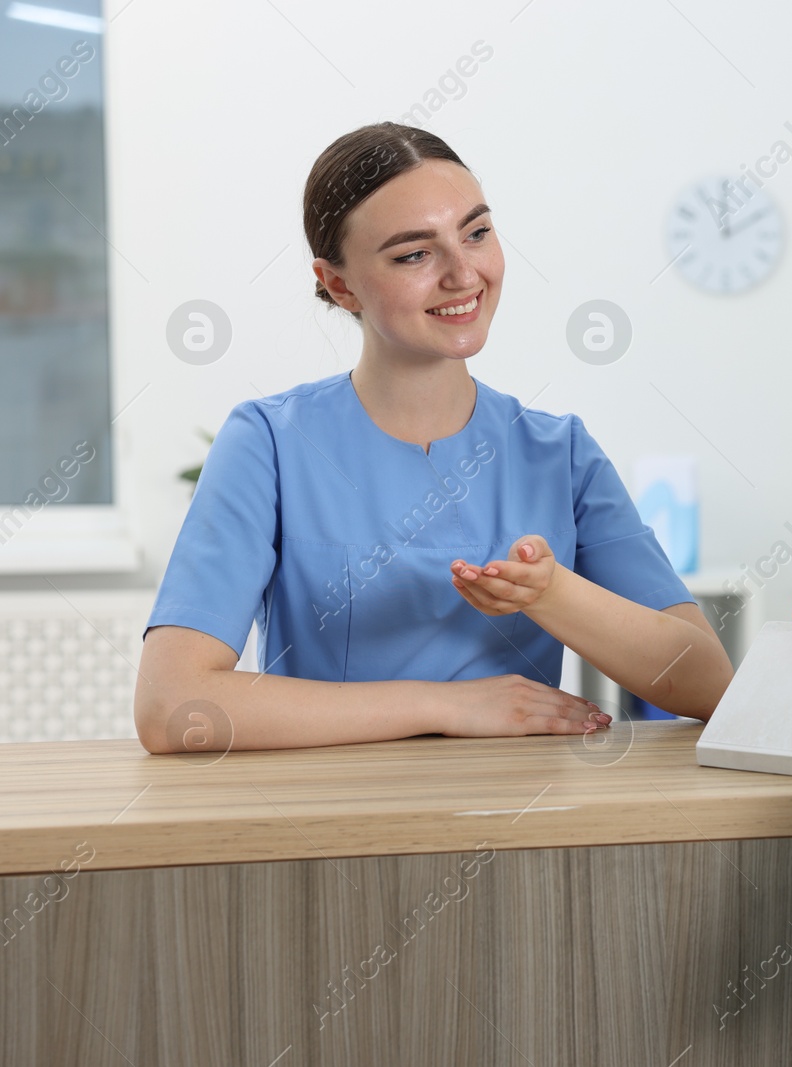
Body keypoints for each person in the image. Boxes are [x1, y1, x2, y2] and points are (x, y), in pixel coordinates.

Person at [134, 122, 732, 753]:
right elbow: (173, 706)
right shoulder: (269, 445)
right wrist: (445, 705)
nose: (462, 274)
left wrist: (553, 593)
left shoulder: (562, 454)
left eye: (476, 233)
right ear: (339, 285)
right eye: (414, 254)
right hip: (330, 823)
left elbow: (707, 684)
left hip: (523, 824)